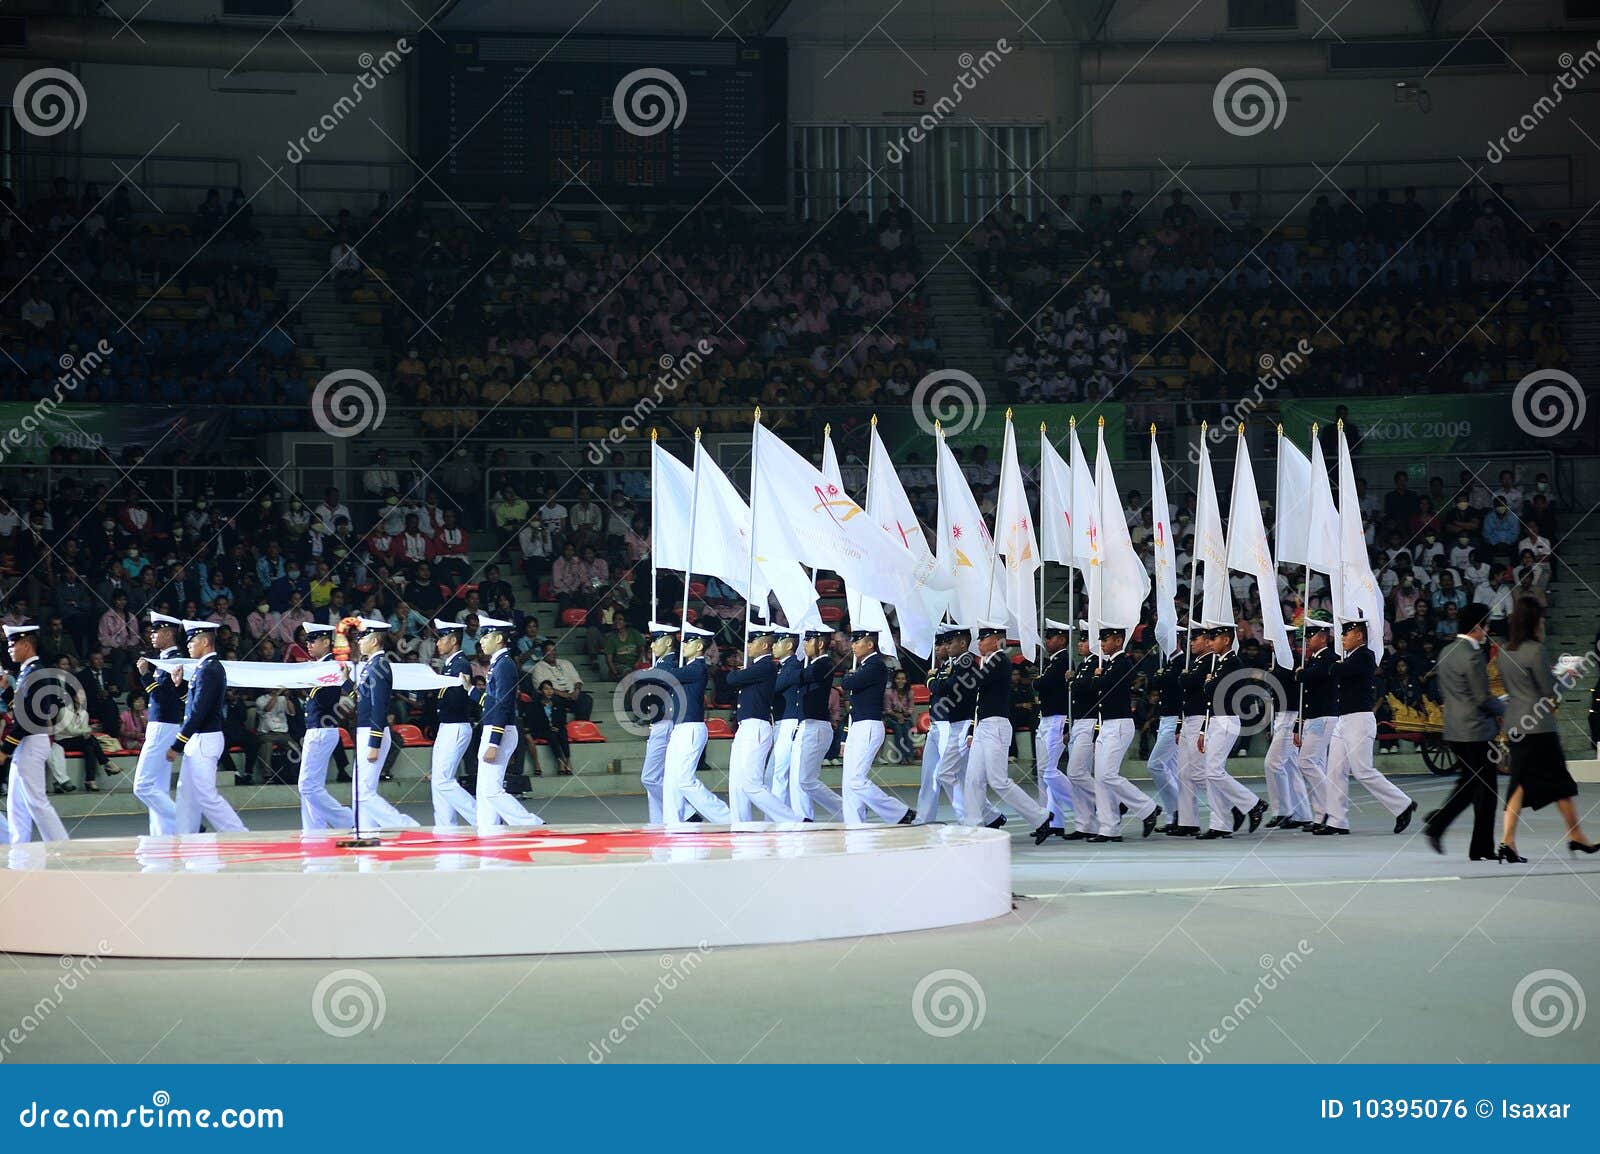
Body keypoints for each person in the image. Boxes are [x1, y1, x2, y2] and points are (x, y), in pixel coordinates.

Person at [1492, 598, 1598, 859]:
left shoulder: (1504, 651)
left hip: (1516, 724)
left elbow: (1514, 686)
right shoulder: (1536, 650)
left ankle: (1508, 842)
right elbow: (1548, 692)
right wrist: (1566, 676)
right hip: (1539, 726)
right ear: (1534, 621)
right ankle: (1576, 836)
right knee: (1561, 782)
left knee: (1518, 784)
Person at [1317, 617, 1416, 836]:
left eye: (1346, 634)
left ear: (1359, 636)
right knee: (1334, 771)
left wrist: (1332, 665)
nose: (1342, 638)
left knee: (1362, 770)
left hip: (1359, 719)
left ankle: (1402, 804)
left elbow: (1340, 671)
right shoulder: (1350, 657)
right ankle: (1337, 820)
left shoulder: (1365, 655)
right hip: (1343, 719)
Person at [962, 621, 1051, 840]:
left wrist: (965, 671)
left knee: (998, 781)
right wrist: (973, 729)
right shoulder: (986, 662)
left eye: (983, 639)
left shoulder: (1000, 660)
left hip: (996, 726)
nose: (979, 643)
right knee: (973, 778)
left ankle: (1040, 817)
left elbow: (977, 683)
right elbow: (977, 699)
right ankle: (974, 824)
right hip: (984, 725)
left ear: (994, 639)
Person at [170, 620, 248, 835]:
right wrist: (180, 689)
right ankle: (187, 835)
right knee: (186, 793)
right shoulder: (205, 668)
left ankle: (239, 834)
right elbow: (195, 704)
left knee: (205, 794)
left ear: (204, 641)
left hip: (205, 738)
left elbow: (199, 712)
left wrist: (177, 744)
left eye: (191, 640)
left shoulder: (209, 669)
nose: (188, 645)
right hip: (200, 738)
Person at [349, 618, 422, 835]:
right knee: (360, 789)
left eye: (362, 637)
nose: (358, 641)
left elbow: (379, 707)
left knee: (364, 790)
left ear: (374, 640)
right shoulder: (371, 665)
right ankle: (364, 830)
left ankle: (406, 826)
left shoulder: (379, 665)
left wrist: (374, 742)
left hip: (373, 732)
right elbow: (363, 697)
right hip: (367, 731)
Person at [475, 614, 546, 831]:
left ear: (498, 639)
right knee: (485, 788)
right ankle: (487, 827)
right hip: (496, 726)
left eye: (485, 637)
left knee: (492, 789)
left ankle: (530, 823)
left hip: (500, 729)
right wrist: (470, 690)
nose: (481, 642)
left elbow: (504, 706)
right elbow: (492, 702)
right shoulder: (499, 663)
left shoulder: (504, 665)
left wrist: (494, 742)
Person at [1089, 625, 1161, 840]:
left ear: (1118, 641)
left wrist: (1097, 677)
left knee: (1108, 774)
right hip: (1107, 724)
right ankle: (1108, 827)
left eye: (1106, 639)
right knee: (1101, 777)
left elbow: (1101, 685)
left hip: (1119, 724)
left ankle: (1148, 808)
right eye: (1101, 639)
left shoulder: (1122, 663)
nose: (1102, 643)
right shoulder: (1110, 663)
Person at [1196, 623, 1266, 839]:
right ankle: (1221, 823)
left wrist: (1208, 683)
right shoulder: (1220, 664)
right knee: (1211, 773)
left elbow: (1211, 690)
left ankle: (1253, 803)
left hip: (1227, 720)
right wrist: (1203, 730)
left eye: (1214, 639)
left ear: (1226, 640)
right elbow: (1209, 699)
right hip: (1216, 720)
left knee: (1214, 771)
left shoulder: (1232, 663)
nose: (1210, 642)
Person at [724, 625, 799, 822]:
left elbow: (732, 678)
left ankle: (791, 819)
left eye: (752, 642)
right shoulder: (757, 667)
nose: (748, 645)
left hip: (756, 727)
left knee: (751, 783)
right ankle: (741, 823)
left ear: (764, 644)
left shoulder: (765, 665)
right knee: (737, 783)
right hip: (746, 726)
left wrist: (741, 671)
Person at [839, 629, 912, 824]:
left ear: (870, 644)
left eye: (857, 642)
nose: (852, 646)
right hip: (858, 725)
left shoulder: (875, 665)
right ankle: (854, 822)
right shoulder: (864, 666)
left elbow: (847, 684)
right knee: (848, 782)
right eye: (852, 642)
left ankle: (899, 812)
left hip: (869, 726)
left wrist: (849, 676)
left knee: (856, 779)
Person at [1, 624, 66, 842]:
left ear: (26, 644)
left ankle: (62, 846)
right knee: (16, 802)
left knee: (35, 800)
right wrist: (6, 690)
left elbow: (31, 718)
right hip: (27, 741)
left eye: (13, 644)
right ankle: (20, 846)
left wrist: (5, 749)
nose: (10, 649)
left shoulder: (36, 672)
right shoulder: (29, 672)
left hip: (31, 740)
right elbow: (23, 709)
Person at [662, 622, 730, 823]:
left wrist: (667, 656)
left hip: (690, 728)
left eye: (687, 642)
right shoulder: (689, 667)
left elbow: (666, 674)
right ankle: (675, 819)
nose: (682, 646)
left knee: (684, 780)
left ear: (699, 647)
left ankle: (726, 817)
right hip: (680, 727)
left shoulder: (698, 668)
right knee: (672, 779)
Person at [296, 622, 355, 831]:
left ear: (325, 642)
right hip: (317, 729)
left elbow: (327, 699)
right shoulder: (320, 666)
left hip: (321, 730)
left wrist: (308, 683)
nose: (308, 645)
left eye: (313, 640)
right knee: (312, 786)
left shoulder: (330, 666)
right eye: (307, 641)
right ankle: (314, 830)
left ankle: (349, 821)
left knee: (307, 786)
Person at [130, 613, 186, 834]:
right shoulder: (164, 659)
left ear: (169, 633)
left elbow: (163, 697)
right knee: (158, 788)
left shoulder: (174, 660)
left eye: (157, 631)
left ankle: (186, 822)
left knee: (142, 786)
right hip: (163, 723)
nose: (151, 635)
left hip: (164, 724)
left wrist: (145, 676)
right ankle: (162, 836)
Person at [428, 620, 480, 828]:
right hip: (447, 725)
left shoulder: (460, 664)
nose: (438, 643)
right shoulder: (450, 664)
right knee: (439, 781)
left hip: (456, 725)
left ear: (453, 640)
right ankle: (445, 826)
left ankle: (482, 818)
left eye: (441, 638)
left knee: (443, 780)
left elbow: (458, 698)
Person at [787, 627, 843, 820]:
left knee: (806, 780)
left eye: (808, 641)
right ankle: (804, 816)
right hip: (807, 725)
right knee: (800, 779)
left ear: (819, 643)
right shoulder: (813, 664)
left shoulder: (824, 664)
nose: (804, 645)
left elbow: (799, 677)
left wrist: (788, 669)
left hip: (817, 726)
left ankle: (846, 809)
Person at [1031, 620, 1078, 837]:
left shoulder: (1063, 661)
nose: (1047, 641)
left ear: (1061, 639)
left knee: (1049, 772)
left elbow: (1043, 684)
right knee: (1043, 772)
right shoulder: (1052, 662)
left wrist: (1039, 681)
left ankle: (1086, 804)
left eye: (1050, 637)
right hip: (1046, 718)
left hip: (1058, 719)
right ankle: (1051, 819)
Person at [1261, 637, 1312, 829]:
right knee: (1290, 767)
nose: (1273, 644)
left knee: (1272, 764)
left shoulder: (1294, 661)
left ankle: (1283, 811)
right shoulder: (1276, 661)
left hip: (1292, 716)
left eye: (1277, 639)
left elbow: (1301, 693)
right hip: (1280, 717)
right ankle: (1302, 814)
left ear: (1288, 640)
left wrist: (1299, 723)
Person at [636, 623, 678, 823]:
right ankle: (658, 821)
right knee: (656, 778)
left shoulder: (670, 664)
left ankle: (684, 810)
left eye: (656, 640)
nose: (652, 646)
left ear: (668, 641)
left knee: (649, 777)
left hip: (665, 722)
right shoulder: (660, 664)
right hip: (658, 723)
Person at [1145, 630, 1184, 831]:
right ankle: (1174, 817)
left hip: (1175, 720)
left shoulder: (1181, 663)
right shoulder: (1169, 664)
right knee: (1172, 769)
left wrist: (1179, 725)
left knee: (1155, 765)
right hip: (1165, 719)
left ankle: (1179, 811)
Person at [526, 680, 572, 777]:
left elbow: (562, 720)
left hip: (556, 728)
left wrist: (556, 727)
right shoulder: (535, 705)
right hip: (542, 729)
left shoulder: (558, 703)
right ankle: (560, 762)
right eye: (546, 689)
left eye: (551, 689)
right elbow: (534, 722)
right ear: (540, 691)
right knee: (551, 734)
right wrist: (549, 727)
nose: (549, 691)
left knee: (562, 732)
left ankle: (568, 759)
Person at [883, 668, 916, 763]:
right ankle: (901, 757)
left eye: (903, 679)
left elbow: (911, 709)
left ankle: (909, 756)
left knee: (907, 728)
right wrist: (898, 716)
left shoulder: (910, 692)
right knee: (898, 728)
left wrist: (904, 713)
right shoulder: (888, 692)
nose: (901, 681)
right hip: (891, 717)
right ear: (894, 680)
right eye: (898, 678)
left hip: (905, 717)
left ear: (906, 680)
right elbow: (887, 709)